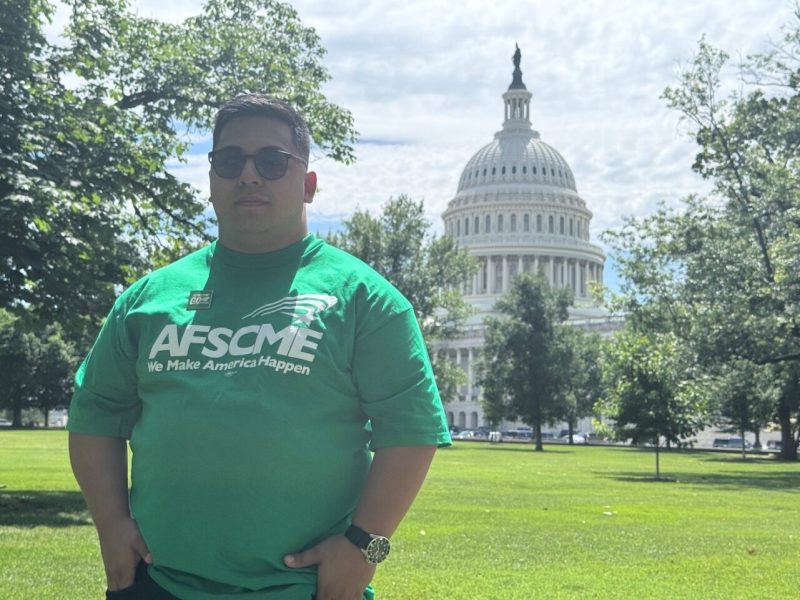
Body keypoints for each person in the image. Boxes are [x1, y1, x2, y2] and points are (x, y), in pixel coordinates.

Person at [68, 93, 451, 600]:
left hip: (302, 590)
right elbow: (95, 415)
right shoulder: (148, 298)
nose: (249, 175)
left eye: (272, 161)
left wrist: (366, 548)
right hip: (157, 583)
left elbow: (411, 433)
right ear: (211, 180)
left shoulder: (366, 300)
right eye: (229, 161)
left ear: (308, 184)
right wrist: (111, 526)